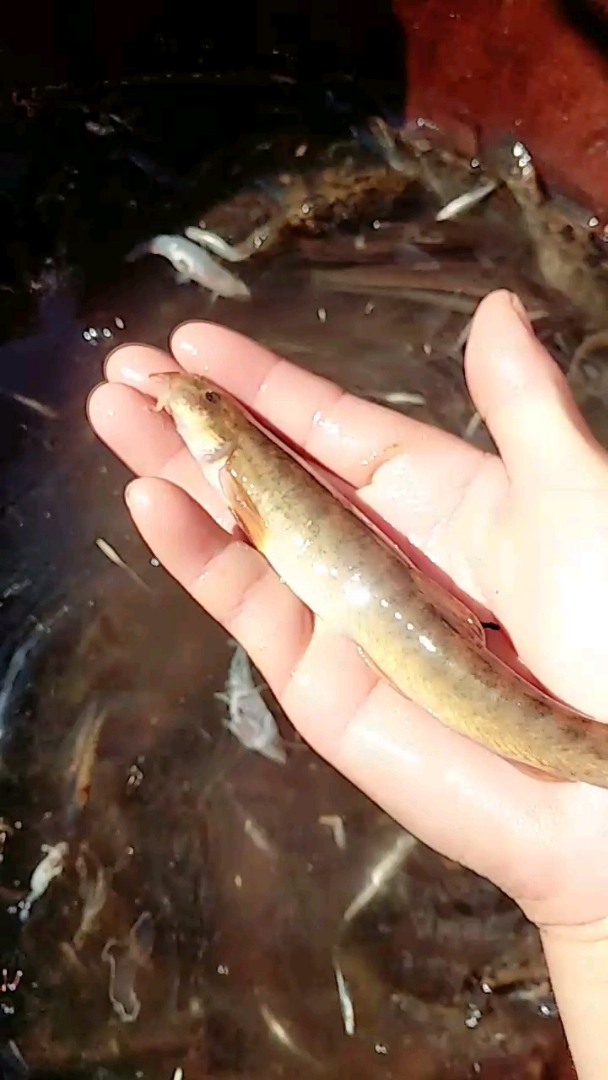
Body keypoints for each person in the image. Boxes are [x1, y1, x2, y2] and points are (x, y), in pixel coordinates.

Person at [88, 289, 608, 1080]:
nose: (187, 403)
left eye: (203, 402)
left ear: (221, 431)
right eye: (203, 401)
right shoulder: (232, 463)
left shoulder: (235, 464)